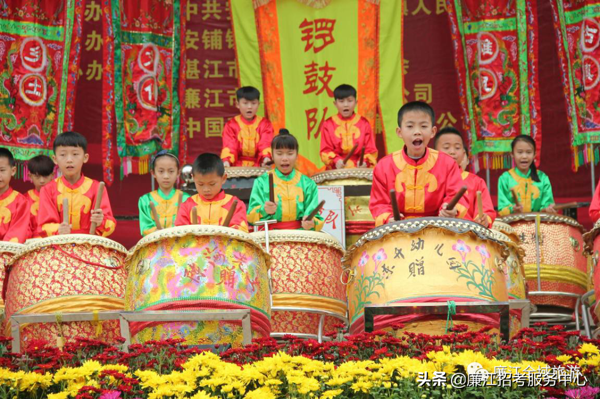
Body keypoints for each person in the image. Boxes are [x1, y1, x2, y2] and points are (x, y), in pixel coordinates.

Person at [369, 101, 468, 226]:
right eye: (410, 126)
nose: (417, 132)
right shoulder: (384, 166)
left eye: (423, 126)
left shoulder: (447, 164)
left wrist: (450, 209)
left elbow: (457, 196)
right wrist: (388, 218)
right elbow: (379, 204)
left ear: (433, 131)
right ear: (399, 132)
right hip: (398, 230)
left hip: (437, 228)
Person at [37, 131, 117, 237]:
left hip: (89, 244)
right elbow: (43, 226)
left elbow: (110, 223)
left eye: (75, 154)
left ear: (85, 158)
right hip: (59, 244)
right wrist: (58, 229)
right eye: (63, 155)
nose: (69, 160)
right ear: (55, 159)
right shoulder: (48, 189)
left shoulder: (96, 188)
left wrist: (100, 221)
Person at [248, 130, 324, 230]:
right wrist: (264, 210)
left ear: (297, 155)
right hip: (271, 237)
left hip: (300, 236)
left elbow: (315, 217)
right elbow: (250, 216)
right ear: (272, 155)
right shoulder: (261, 182)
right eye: (279, 154)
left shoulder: (307, 184)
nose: (284, 158)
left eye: (290, 153)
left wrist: (311, 222)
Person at [434, 127, 496, 227]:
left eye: (457, 148)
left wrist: (484, 220)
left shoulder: (476, 182)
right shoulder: (429, 178)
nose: (452, 152)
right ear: (434, 153)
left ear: (463, 154)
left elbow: (486, 210)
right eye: (446, 147)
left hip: (466, 237)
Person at [175, 153, 248, 232]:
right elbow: (180, 233)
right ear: (193, 178)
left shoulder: (235, 204)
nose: (206, 189)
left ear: (223, 178)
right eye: (200, 184)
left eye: (212, 184)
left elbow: (241, 232)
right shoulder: (187, 205)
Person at [320, 84, 378, 169]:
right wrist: (336, 160)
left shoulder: (364, 123)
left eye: (350, 101)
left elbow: (370, 150)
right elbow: (325, 150)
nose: (346, 105)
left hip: (359, 170)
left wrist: (364, 162)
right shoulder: (328, 124)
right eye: (341, 101)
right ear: (335, 103)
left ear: (356, 102)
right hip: (336, 170)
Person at [497, 135, 555, 215]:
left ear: (534, 154)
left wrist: (547, 209)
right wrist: (512, 209)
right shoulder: (505, 179)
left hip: (538, 223)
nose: (524, 156)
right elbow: (502, 208)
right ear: (512, 154)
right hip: (513, 224)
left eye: (528, 152)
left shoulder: (543, 178)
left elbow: (547, 205)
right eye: (520, 152)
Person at [138, 150, 190, 236]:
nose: (166, 176)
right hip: (155, 245)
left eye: (171, 171)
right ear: (153, 173)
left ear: (178, 173)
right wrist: (156, 232)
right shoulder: (145, 200)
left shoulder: (186, 199)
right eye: (161, 171)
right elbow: (146, 228)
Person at [220, 86, 274, 167]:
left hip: (259, 165)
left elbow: (265, 144)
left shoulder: (265, 124)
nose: (249, 107)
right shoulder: (231, 125)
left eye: (253, 103)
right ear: (238, 104)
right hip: (236, 167)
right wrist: (227, 161)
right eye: (245, 103)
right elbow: (230, 146)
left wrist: (266, 158)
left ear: (258, 104)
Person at [0, 148, 30, 243]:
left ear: (13, 171)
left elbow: (16, 235)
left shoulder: (20, 202)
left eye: (2, 170)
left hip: (7, 254)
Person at [25, 155, 55, 238]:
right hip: (31, 244)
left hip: (55, 241)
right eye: (37, 177)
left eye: (45, 176)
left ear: (52, 175)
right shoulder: (24, 200)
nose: (42, 181)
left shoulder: (59, 197)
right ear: (30, 176)